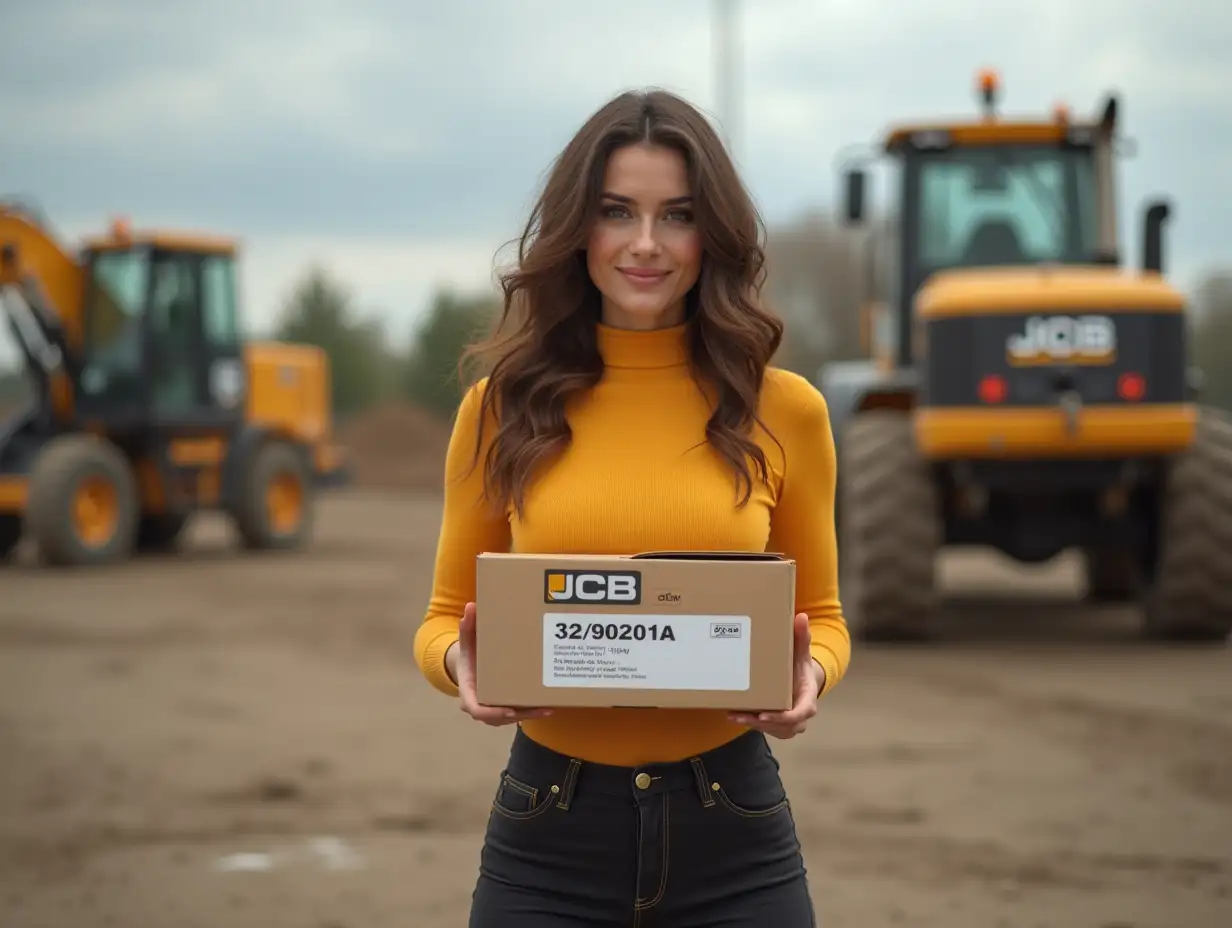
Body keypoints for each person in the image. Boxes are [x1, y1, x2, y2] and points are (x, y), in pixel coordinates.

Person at [414, 87, 851, 927]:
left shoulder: (787, 409)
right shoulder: (502, 406)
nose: (646, 245)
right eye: (618, 211)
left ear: (710, 235)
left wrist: (809, 678)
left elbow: (823, 618)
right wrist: (461, 668)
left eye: (676, 215)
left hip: (736, 835)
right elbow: (440, 620)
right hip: (548, 834)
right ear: (579, 229)